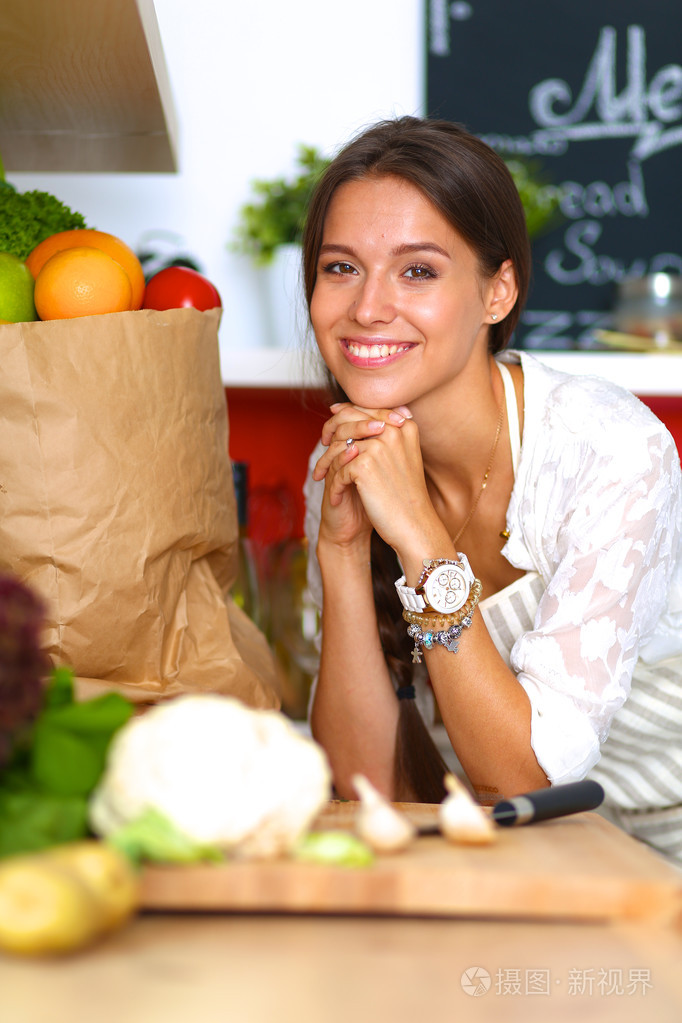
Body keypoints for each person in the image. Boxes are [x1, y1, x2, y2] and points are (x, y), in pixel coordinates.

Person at [300, 115, 682, 865]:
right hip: (521, 846)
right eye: (341, 267)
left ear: (497, 291)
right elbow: (365, 788)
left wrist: (419, 537)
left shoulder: (606, 447)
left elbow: (524, 775)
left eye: (417, 271)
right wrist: (344, 549)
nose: (368, 307)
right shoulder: (352, 466)